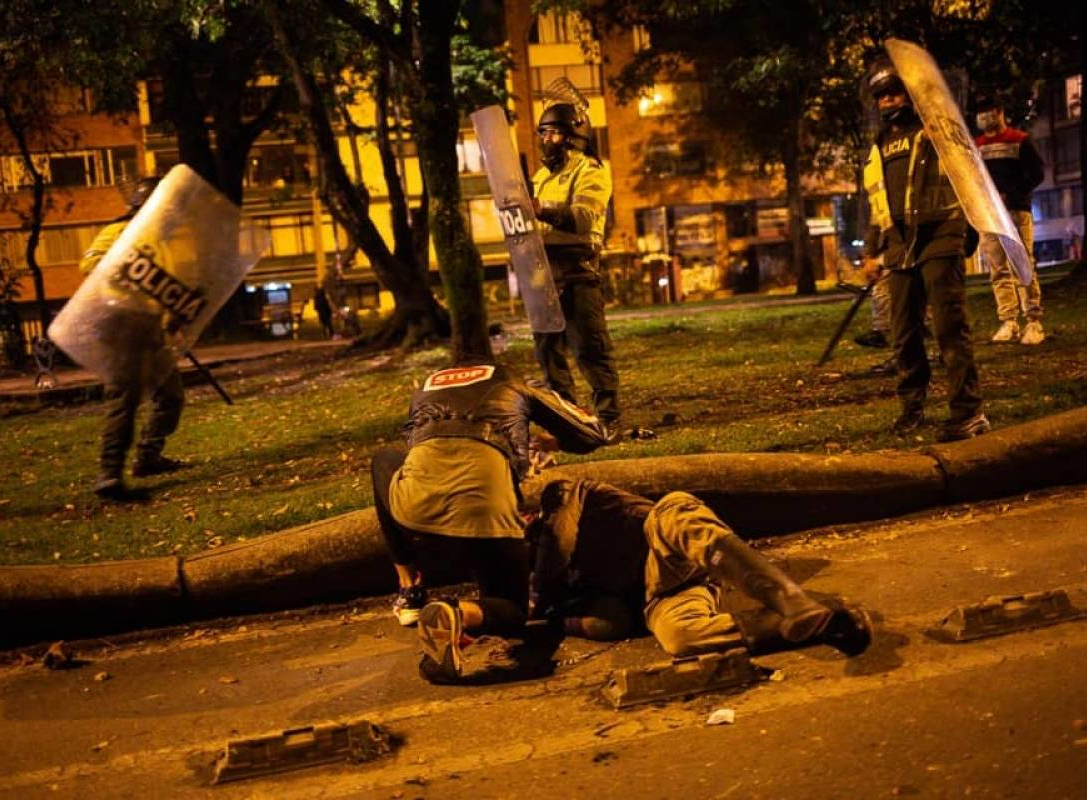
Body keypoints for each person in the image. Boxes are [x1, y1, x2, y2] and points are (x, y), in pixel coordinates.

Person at [370, 360, 611, 683]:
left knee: (383, 461)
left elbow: (424, 452)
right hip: (488, 517)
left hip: (416, 514)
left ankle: (410, 589)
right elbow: (592, 434)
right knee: (512, 610)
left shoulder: (425, 389)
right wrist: (550, 442)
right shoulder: (516, 382)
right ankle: (457, 614)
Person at [528, 479, 873, 659]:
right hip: (664, 591)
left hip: (663, 542)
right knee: (679, 636)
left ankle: (792, 600)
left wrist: (538, 599)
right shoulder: (562, 589)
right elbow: (612, 621)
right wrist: (557, 621)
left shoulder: (564, 494)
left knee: (674, 512)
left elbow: (559, 540)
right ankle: (824, 623)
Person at [861, 59, 990, 442]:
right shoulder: (878, 146)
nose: (888, 101)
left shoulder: (936, 130)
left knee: (950, 328)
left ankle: (969, 412)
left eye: (895, 92)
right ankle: (912, 409)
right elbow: (876, 203)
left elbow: (969, 176)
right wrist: (871, 252)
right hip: (900, 249)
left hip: (941, 237)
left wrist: (968, 231)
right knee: (904, 334)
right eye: (882, 96)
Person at [79, 176, 186, 501]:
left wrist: (173, 315)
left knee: (171, 396)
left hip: (150, 330)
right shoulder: (118, 232)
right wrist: (130, 264)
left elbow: (161, 289)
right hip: (119, 327)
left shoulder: (163, 244)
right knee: (124, 401)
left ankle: (147, 457)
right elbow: (90, 262)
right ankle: (109, 474)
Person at [531, 102, 621, 440]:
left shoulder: (591, 170)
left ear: (573, 137)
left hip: (578, 268)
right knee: (547, 351)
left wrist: (543, 210)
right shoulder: (541, 177)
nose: (547, 139)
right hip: (541, 271)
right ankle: (565, 420)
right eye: (543, 132)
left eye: (554, 132)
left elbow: (584, 217)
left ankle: (608, 419)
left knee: (590, 347)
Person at [973, 93, 1047, 345]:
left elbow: (1037, 173)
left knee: (1023, 264)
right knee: (998, 269)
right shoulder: (977, 145)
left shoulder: (1019, 140)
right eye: (980, 112)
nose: (983, 116)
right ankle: (1008, 321)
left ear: (1000, 112)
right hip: (989, 215)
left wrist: (1013, 194)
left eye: (988, 110)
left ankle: (1033, 321)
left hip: (1016, 211)